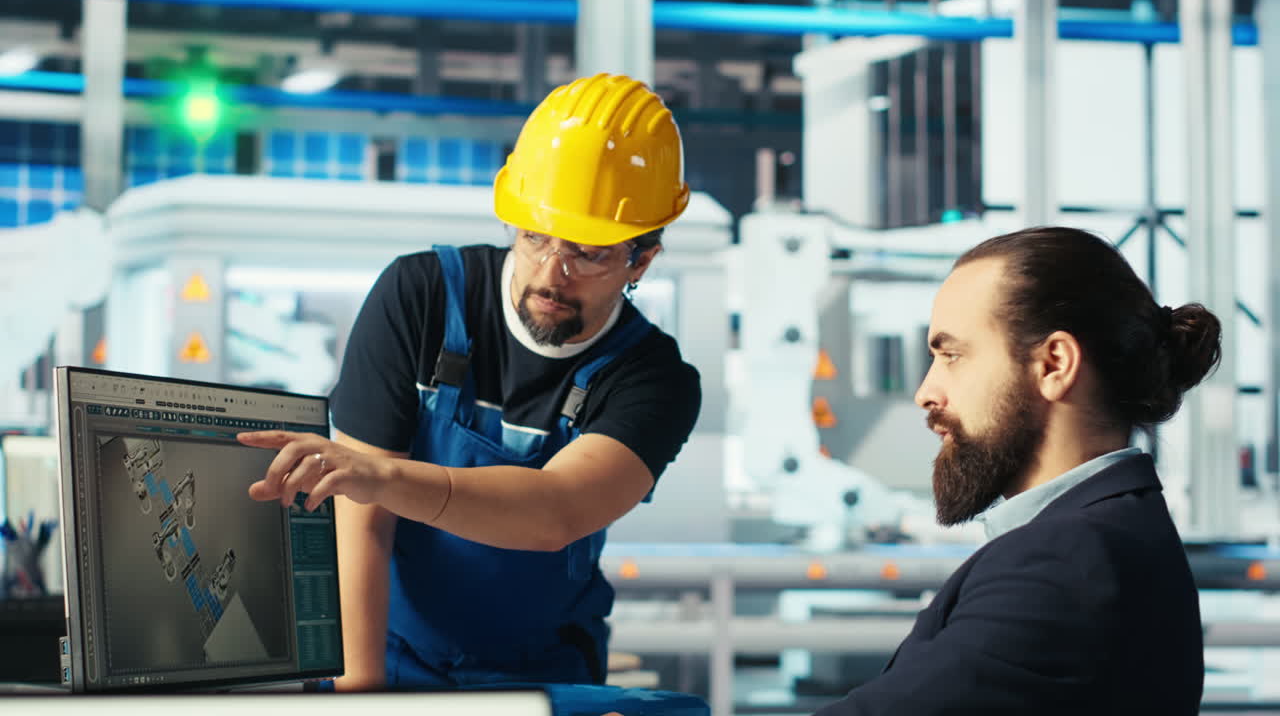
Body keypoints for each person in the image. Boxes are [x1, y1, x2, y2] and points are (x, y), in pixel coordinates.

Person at [236, 73, 701, 690]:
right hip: (388, 651)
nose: (551, 274)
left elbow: (557, 511)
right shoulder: (421, 296)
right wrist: (360, 696)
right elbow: (362, 518)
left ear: (641, 258)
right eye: (535, 236)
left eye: (588, 253)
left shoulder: (653, 376)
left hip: (542, 674)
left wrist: (384, 479)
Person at [815, 226, 1212, 715]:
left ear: (1053, 365)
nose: (925, 392)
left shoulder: (1061, 566)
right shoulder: (1116, 534)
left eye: (952, 356)